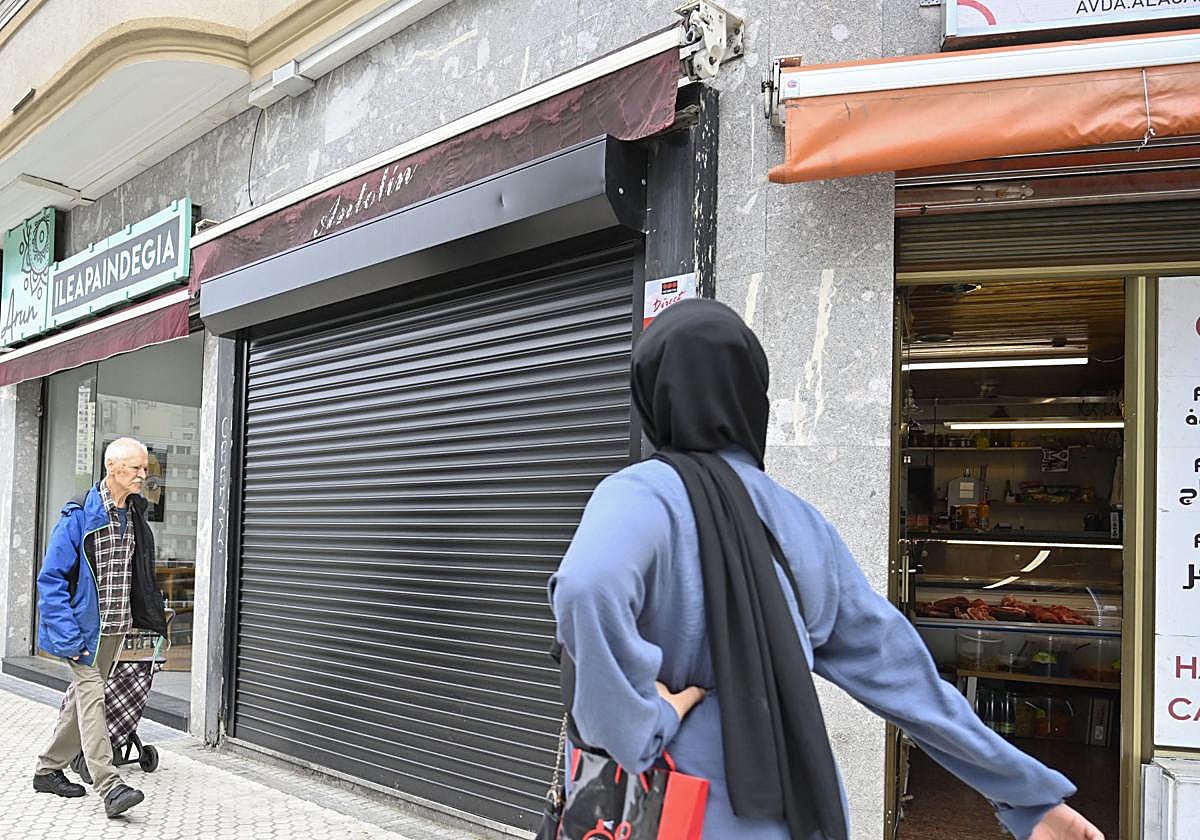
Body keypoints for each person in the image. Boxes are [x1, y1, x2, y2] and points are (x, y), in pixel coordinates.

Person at [549, 300, 1103, 840]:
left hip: (660, 812)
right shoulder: (804, 526)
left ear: (650, 395)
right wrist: (1029, 796)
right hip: (791, 813)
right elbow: (907, 681)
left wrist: (638, 722)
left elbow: (586, 586)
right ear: (752, 397)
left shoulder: (640, 495)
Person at [32, 437, 167, 819]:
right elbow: (51, 579)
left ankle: (47, 770)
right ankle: (110, 786)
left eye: (145, 468)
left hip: (116, 628)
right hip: (83, 632)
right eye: (136, 468)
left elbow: (138, 573)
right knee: (93, 698)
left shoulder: (134, 514)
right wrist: (68, 636)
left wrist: (150, 613)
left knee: (82, 700)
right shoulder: (79, 516)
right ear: (112, 467)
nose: (143, 475)